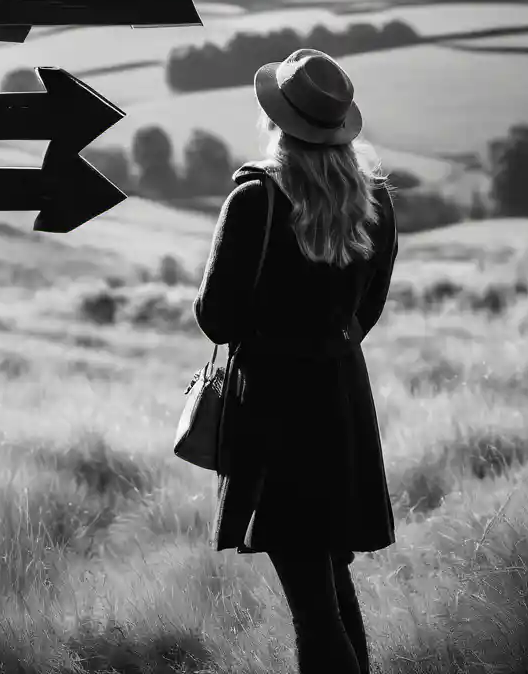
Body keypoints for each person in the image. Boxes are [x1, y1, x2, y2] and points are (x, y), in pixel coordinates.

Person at [193, 47, 399, 674]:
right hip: (342, 400)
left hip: (275, 410)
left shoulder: (255, 200)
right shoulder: (376, 200)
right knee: (330, 581)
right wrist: (326, 343)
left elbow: (216, 319)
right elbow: (371, 307)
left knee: (312, 603)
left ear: (278, 120)